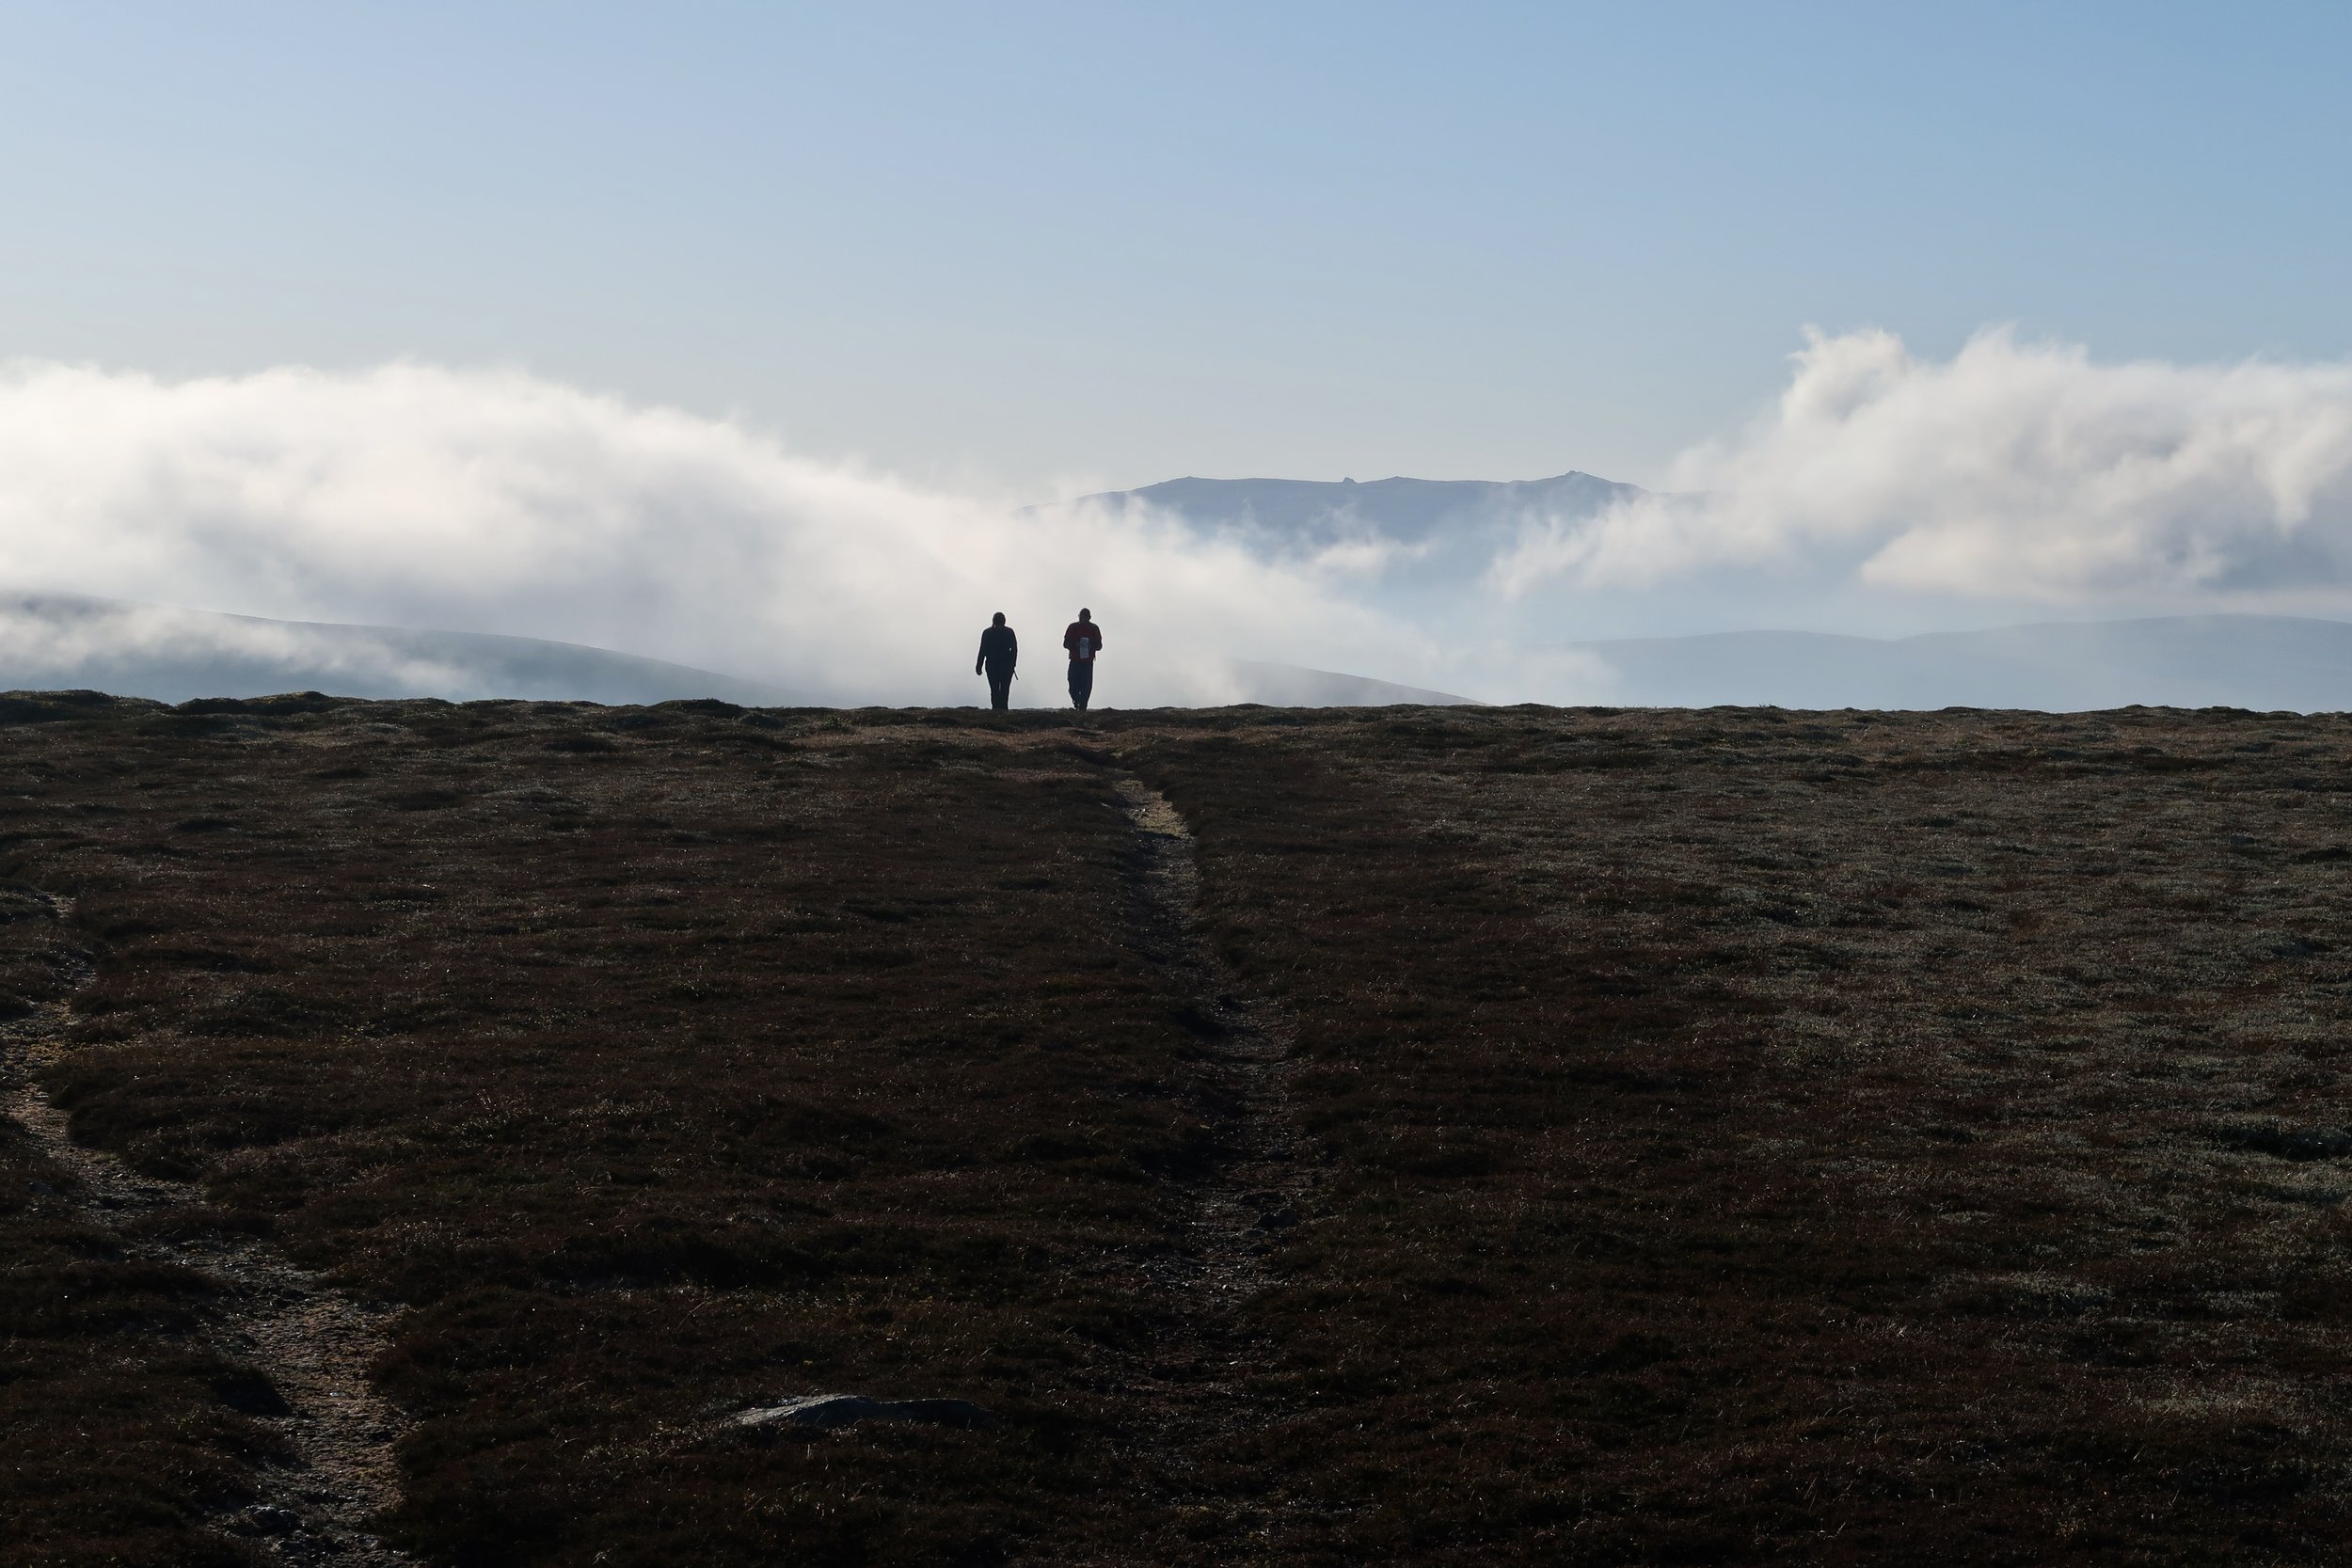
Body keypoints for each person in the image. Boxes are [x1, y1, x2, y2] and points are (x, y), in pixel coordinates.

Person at [975, 612, 1018, 710]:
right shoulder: (1009, 632)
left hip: (992, 666)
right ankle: (1003, 711)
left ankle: (996, 711)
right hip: (1006, 666)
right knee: (1005, 690)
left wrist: (979, 665)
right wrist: (1013, 664)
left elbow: (983, 650)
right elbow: (1014, 649)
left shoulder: (987, 632)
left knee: (994, 690)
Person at [1063, 608, 1102, 710]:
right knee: (1072, 682)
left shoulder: (1094, 628)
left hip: (1087, 662)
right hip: (1075, 660)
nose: (1083, 619)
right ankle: (1076, 701)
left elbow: (1099, 646)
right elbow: (1066, 643)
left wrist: (1090, 645)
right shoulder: (1073, 627)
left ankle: (1083, 707)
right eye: (1081, 616)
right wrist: (1076, 644)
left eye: (1085, 617)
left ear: (1089, 617)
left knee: (1086, 685)